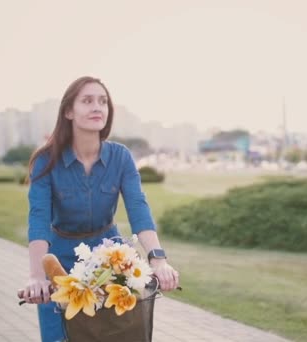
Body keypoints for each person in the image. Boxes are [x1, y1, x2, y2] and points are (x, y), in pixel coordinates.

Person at [21, 76, 180, 342]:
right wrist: (37, 277)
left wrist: (159, 260)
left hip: (110, 261)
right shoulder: (45, 161)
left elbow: (138, 209)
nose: (98, 107)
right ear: (69, 111)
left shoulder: (121, 157)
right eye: (87, 101)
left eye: (103, 101)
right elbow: (38, 219)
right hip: (60, 263)